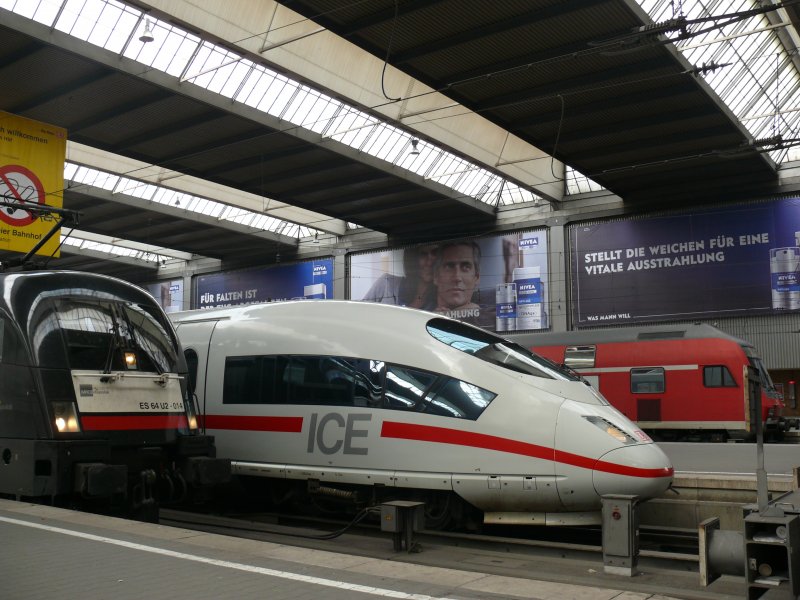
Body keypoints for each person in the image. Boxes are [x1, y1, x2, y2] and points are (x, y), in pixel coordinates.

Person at [361, 244, 438, 309]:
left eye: (435, 253)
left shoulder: (442, 297)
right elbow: (359, 312)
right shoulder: (387, 283)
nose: (430, 262)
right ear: (412, 259)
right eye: (423, 254)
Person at [433, 240, 482, 316]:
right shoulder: (417, 317)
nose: (457, 278)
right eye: (449, 267)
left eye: (466, 267)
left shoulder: (492, 317)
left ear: (477, 277)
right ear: (436, 277)